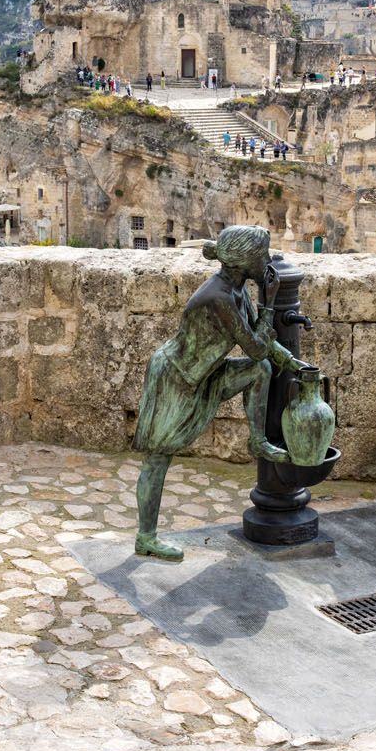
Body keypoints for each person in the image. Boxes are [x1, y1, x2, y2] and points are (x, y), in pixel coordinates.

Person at [132, 226, 309, 560]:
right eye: (262, 255)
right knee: (157, 460)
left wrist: (292, 363)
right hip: (176, 377)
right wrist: (270, 302)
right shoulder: (220, 297)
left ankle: (257, 440)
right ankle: (146, 537)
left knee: (262, 371)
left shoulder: (238, 290)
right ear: (244, 262)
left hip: (206, 372)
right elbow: (256, 346)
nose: (267, 261)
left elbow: (262, 347)